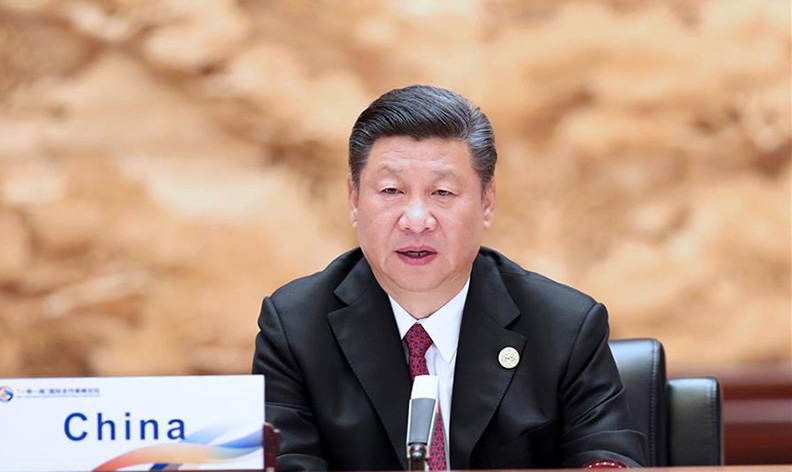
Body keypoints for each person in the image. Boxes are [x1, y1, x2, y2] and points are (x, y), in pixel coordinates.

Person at [252, 85, 646, 470]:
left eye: (442, 193)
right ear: (354, 199)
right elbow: (285, 462)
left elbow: (605, 453)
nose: (416, 220)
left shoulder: (565, 326)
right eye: (391, 190)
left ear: (486, 202)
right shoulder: (295, 327)